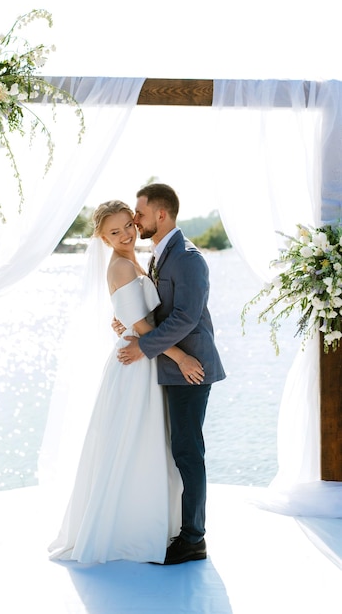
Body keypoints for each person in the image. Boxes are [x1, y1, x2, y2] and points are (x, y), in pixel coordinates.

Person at [48, 200, 205, 564]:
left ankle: (152, 522)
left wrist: (126, 323)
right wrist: (180, 356)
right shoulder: (119, 266)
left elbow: (136, 315)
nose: (125, 235)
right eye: (114, 232)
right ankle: (127, 529)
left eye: (128, 226)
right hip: (136, 362)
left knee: (149, 441)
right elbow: (141, 326)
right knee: (131, 439)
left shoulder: (141, 258)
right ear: (103, 238)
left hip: (147, 356)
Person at [117, 183, 226, 565]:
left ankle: (194, 538)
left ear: (161, 215)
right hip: (170, 365)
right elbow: (160, 309)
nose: (135, 219)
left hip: (190, 368)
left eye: (140, 213)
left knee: (187, 450)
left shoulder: (190, 258)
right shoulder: (159, 253)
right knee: (176, 449)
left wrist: (143, 347)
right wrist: (130, 322)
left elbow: (186, 317)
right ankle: (173, 525)